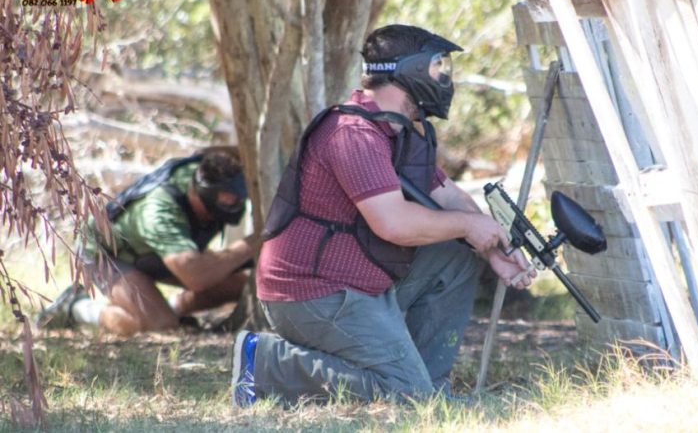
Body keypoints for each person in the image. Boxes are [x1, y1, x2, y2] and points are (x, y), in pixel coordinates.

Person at [230, 24, 535, 407]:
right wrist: (469, 226)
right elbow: (393, 224)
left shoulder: (402, 131)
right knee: (402, 393)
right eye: (438, 67)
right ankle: (265, 363)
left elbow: (446, 195)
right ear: (409, 71)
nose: (445, 78)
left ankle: (427, 387)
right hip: (312, 292)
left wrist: (492, 247)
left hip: (360, 282)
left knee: (457, 258)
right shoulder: (353, 134)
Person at [36, 147, 257, 336]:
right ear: (200, 194)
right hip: (106, 253)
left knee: (242, 286)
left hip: (154, 252)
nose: (235, 204)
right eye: (228, 200)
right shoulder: (159, 212)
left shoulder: (209, 168)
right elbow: (195, 276)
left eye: (239, 197)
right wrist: (256, 241)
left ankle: (169, 307)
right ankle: (76, 308)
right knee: (158, 326)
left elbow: (236, 148)